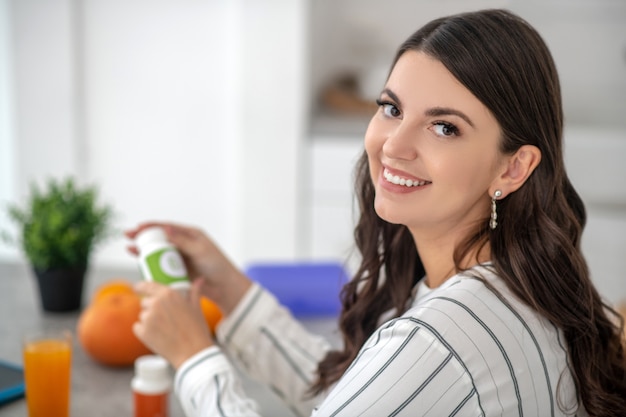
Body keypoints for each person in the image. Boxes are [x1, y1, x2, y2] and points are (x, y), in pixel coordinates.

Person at [126, 8, 626, 417]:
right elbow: (363, 395)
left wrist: (193, 358)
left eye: (445, 128)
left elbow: (404, 372)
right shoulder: (508, 286)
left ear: (513, 168)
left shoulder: (445, 336)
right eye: (391, 108)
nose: (395, 146)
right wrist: (232, 294)